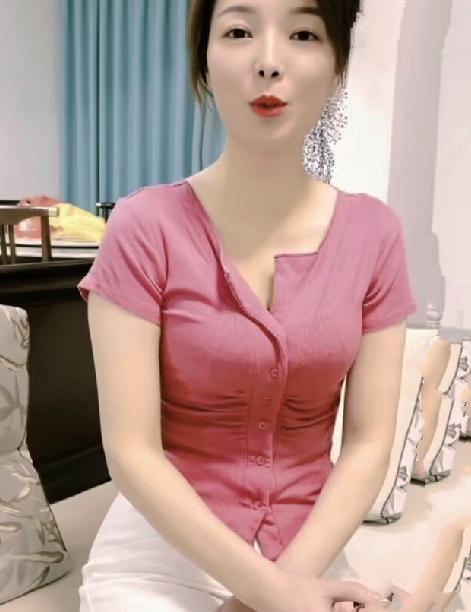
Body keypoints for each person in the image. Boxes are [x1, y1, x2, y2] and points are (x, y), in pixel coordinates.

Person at [76, 0, 417, 610]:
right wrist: (269, 595)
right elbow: (131, 451)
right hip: (164, 547)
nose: (268, 61)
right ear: (204, 61)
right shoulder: (142, 226)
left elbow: (369, 444)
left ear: (337, 63)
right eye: (238, 31)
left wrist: (282, 588)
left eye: (303, 33)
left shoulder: (376, 235)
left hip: (307, 547)